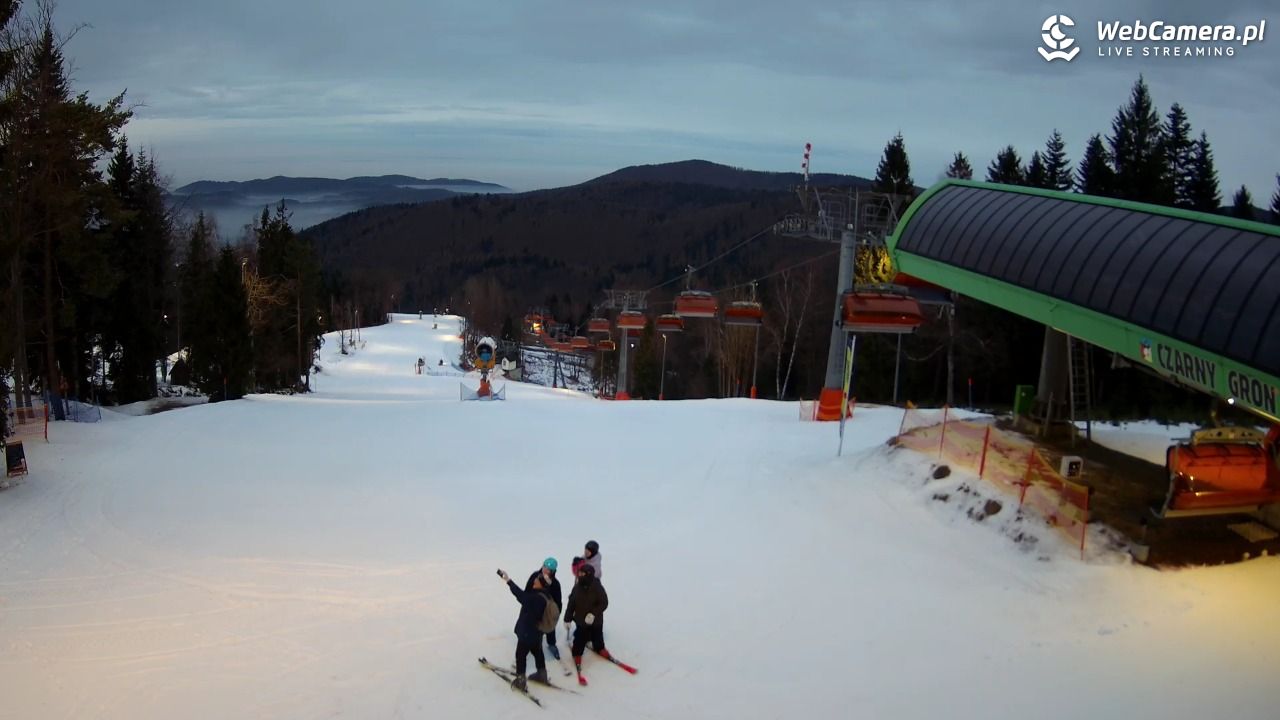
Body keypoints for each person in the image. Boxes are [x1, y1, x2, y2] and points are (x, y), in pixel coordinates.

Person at [497, 568, 549, 689]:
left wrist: (508, 580)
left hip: (528, 631)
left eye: (537, 580)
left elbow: (520, 595)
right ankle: (542, 674)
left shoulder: (534, 598)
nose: (534, 581)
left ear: (541, 584)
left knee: (520, 655)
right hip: (538, 632)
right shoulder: (545, 595)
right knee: (537, 651)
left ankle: (521, 680)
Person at [564, 562, 610, 674]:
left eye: (582, 573)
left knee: (597, 635)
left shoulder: (597, 586)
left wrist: (593, 614)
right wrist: (567, 619)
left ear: (588, 574)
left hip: (596, 620)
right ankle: (577, 654)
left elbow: (604, 602)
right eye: (579, 573)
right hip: (581, 621)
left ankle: (600, 648)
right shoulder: (577, 587)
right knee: (580, 639)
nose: (579, 575)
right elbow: (571, 604)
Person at [525, 558, 563, 660]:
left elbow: (558, 601)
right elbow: (527, 591)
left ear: (553, 571)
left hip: (548, 612)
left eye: (548, 569)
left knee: (550, 629)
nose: (545, 570)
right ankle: (529, 647)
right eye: (544, 567)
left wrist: (557, 614)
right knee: (533, 631)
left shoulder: (555, 584)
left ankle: (551, 644)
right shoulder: (534, 576)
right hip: (535, 610)